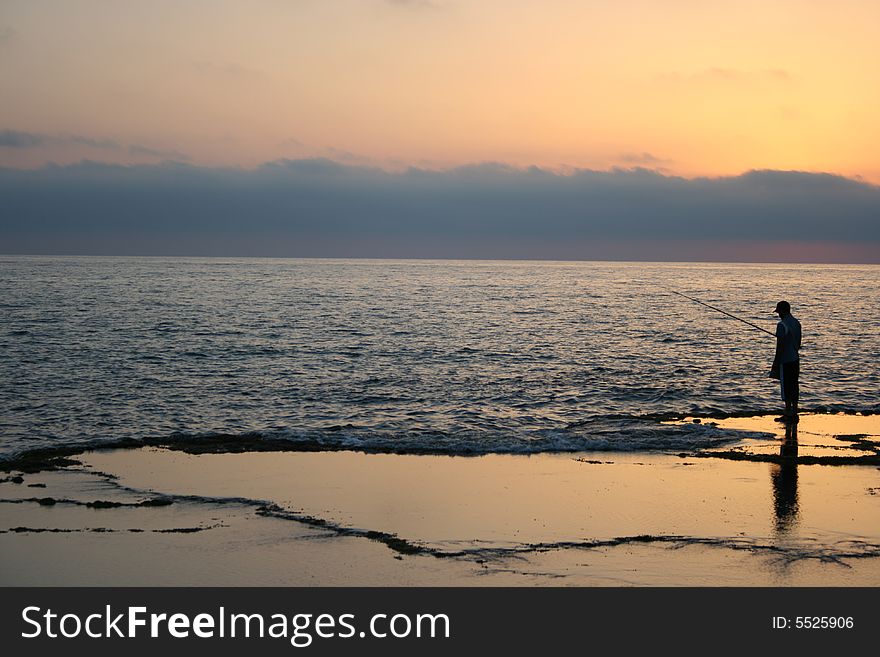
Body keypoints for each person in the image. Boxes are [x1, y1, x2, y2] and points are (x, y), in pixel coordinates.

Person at [768, 300, 801, 422]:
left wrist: (776, 362)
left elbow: (780, 346)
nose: (778, 315)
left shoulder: (781, 325)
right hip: (795, 359)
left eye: (778, 312)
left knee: (786, 387)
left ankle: (788, 413)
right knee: (794, 385)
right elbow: (798, 343)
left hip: (786, 360)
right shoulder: (797, 323)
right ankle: (795, 412)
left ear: (782, 311)